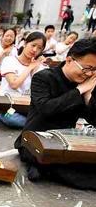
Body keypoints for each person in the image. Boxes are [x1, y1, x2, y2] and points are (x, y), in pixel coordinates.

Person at [15, 38, 96, 188]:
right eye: (87, 68)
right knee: (72, 171)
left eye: (94, 71)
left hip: (64, 142)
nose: (89, 74)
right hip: (35, 138)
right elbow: (47, 109)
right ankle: (40, 166)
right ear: (69, 59)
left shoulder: (86, 84)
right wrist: (79, 91)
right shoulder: (44, 77)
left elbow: (93, 120)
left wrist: (88, 97)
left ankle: (42, 167)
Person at [0, 32, 47, 129]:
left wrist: (35, 69)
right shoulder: (9, 60)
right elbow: (14, 84)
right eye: (33, 45)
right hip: (8, 108)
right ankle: (36, 124)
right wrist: (30, 67)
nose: (35, 50)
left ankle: (36, 123)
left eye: (39, 48)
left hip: (27, 108)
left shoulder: (39, 67)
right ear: (25, 43)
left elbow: (39, 90)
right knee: (12, 119)